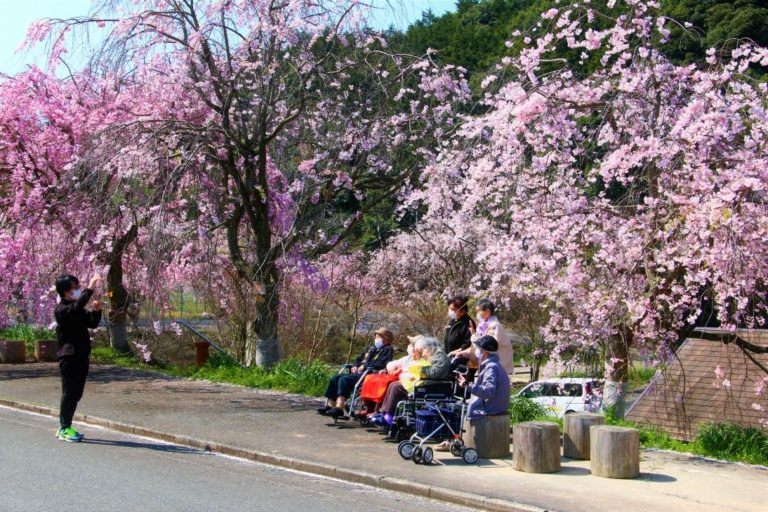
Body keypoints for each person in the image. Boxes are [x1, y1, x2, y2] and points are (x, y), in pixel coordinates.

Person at [54, 274, 102, 442]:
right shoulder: (62, 309)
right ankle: (64, 427)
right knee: (69, 392)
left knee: (77, 393)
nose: (78, 290)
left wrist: (96, 312)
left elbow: (91, 323)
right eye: (75, 288)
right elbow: (76, 307)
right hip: (69, 356)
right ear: (66, 291)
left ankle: (66, 425)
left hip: (81, 354)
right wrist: (90, 287)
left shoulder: (76, 309)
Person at [373, 337, 451, 427]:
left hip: (433, 386)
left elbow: (434, 373)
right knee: (394, 384)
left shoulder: (440, 356)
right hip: (425, 383)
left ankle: (389, 417)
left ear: (430, 348)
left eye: (422, 351)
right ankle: (384, 413)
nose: (423, 354)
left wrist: (420, 368)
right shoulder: (433, 354)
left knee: (396, 387)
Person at [317, 327, 394, 419]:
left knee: (343, 380)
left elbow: (382, 363)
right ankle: (330, 405)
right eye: (375, 337)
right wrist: (355, 365)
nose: (375, 339)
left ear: (385, 339)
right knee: (335, 377)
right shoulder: (370, 348)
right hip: (358, 374)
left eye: (378, 337)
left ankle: (339, 407)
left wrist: (365, 366)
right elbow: (358, 359)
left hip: (368, 375)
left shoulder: (387, 349)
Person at [356, 335, 423, 417]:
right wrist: (391, 367)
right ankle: (368, 407)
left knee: (384, 382)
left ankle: (377, 410)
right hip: (396, 376)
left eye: (411, 344)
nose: (409, 346)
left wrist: (402, 369)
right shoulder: (408, 357)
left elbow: (415, 369)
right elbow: (394, 363)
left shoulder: (421, 358)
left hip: (404, 379)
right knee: (370, 378)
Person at [449, 298, 514, 374]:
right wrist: (463, 353)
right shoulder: (483, 326)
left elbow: (485, 346)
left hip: (497, 368)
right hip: (487, 366)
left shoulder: (495, 326)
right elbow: (476, 346)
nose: (477, 314)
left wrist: (474, 335)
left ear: (487, 311)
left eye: (478, 311)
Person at [457, 335, 511, 420]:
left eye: (479, 348)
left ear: (485, 352)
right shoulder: (495, 365)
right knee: (458, 404)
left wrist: (466, 384)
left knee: (453, 409)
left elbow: (488, 392)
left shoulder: (491, 367)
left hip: (489, 410)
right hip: (494, 408)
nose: (477, 351)